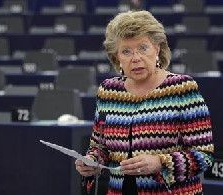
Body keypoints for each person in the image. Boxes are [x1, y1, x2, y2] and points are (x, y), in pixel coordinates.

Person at [75, 10, 214, 195]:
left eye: (143, 48)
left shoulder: (182, 88)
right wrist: (91, 162)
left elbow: (204, 155)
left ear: (157, 49)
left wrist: (160, 163)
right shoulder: (108, 90)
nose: (136, 58)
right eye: (126, 51)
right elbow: (100, 147)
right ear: (117, 57)